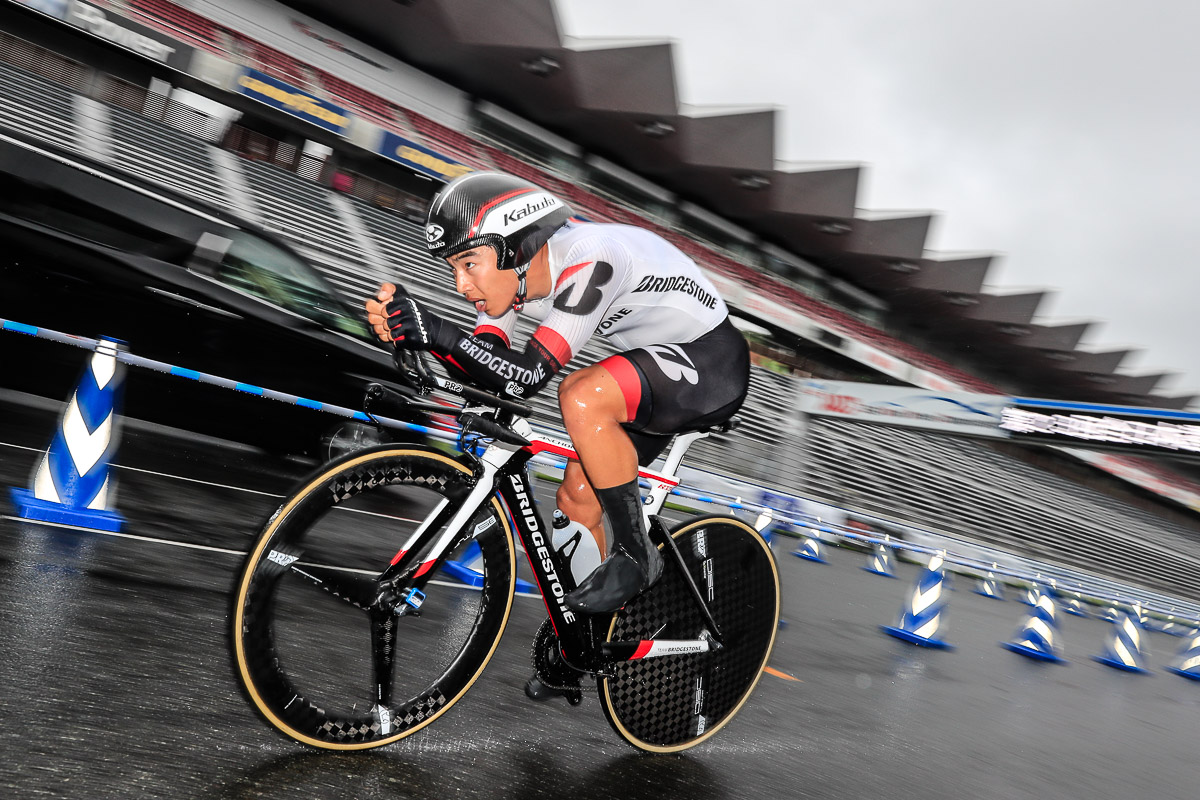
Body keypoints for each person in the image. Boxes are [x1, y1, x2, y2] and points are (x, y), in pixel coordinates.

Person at [365, 171, 749, 617]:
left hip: (712, 362)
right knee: (576, 499)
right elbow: (490, 366)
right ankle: (588, 638)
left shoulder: (592, 257)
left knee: (582, 394)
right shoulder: (515, 282)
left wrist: (437, 332)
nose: (461, 285)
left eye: (469, 263)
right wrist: (415, 339)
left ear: (516, 246)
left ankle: (637, 556)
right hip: (655, 367)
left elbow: (527, 377)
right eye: (454, 268)